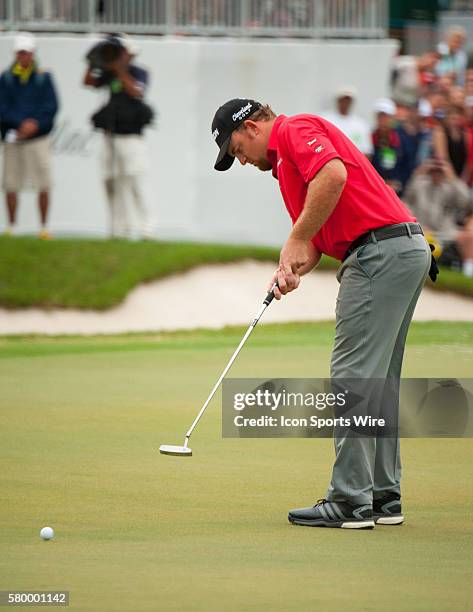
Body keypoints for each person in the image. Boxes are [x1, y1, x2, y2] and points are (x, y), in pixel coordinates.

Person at [211, 98, 434, 529]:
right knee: (378, 380)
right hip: (400, 249)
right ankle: (382, 496)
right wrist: (294, 264)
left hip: (379, 255)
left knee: (352, 376)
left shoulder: (294, 130)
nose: (239, 160)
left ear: (253, 127)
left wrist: (295, 239)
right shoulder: (286, 168)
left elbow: (333, 175)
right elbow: (315, 235)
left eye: (235, 149)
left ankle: (350, 500)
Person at [83, 34, 152, 239]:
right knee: (112, 180)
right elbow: (88, 82)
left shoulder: (139, 72)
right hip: (110, 135)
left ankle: (147, 228)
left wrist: (120, 71)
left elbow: (136, 92)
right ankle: (118, 229)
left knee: (136, 180)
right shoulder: (108, 73)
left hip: (131, 136)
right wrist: (93, 61)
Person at [0, 32, 59, 239]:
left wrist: (35, 124)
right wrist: (19, 124)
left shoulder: (44, 77)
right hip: (13, 137)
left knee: (43, 182)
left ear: (33, 54)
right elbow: (2, 108)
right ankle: (12, 227)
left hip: (38, 138)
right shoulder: (5, 78)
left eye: (26, 53)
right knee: (10, 183)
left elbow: (51, 107)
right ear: (16, 54)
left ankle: (44, 227)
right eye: (20, 53)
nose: (23, 56)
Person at [404, 158, 473, 277]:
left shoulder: (450, 187)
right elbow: (406, 197)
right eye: (434, 170)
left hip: (445, 232)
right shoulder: (420, 184)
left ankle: (469, 273)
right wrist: (422, 170)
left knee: (469, 237)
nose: (437, 173)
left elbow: (466, 201)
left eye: (440, 171)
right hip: (421, 229)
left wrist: (452, 177)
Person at [321, 87, 373, 157]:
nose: (345, 103)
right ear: (338, 101)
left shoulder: (361, 124)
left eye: (348, 100)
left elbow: (366, 151)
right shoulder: (325, 119)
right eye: (343, 100)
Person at [371, 98, 403, 194]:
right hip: (375, 188)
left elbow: (406, 165)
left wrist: (398, 182)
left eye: (386, 116)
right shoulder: (369, 140)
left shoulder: (401, 140)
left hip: (397, 191)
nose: (383, 120)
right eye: (380, 116)